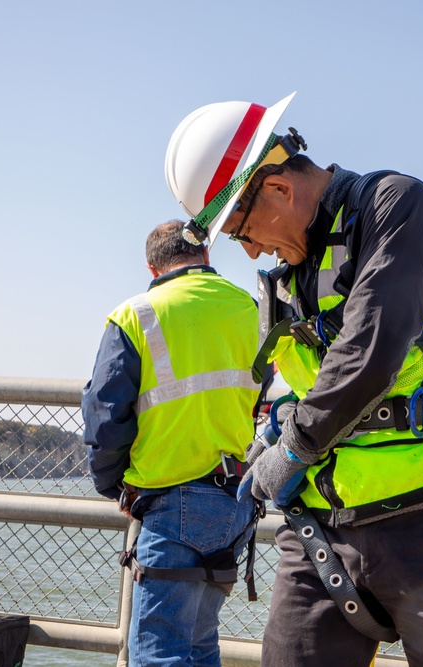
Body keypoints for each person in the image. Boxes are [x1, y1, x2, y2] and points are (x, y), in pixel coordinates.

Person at [163, 93, 423, 667]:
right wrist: (275, 429)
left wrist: (290, 449)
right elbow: (301, 384)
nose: (250, 249)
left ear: (279, 189)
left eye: (241, 229)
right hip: (319, 534)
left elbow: (370, 353)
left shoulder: (396, 207)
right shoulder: (286, 278)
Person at [81, 220, 265, 667]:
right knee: (201, 644)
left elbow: (105, 416)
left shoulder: (135, 314)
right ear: (205, 256)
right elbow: (260, 392)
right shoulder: (253, 310)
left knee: (159, 652)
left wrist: (114, 486)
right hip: (236, 500)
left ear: (152, 266)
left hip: (170, 500)